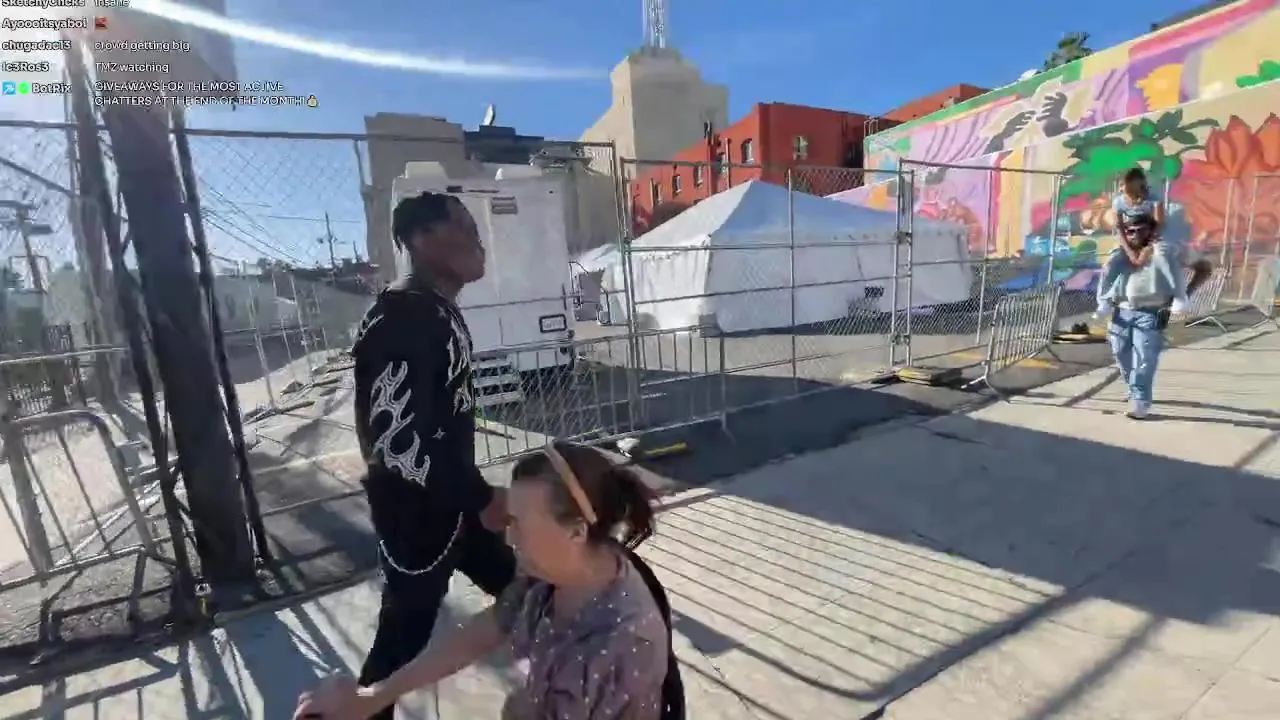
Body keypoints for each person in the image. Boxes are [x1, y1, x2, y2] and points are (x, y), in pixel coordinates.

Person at [294, 441, 685, 720]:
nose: (509, 538)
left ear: (576, 531)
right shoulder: (550, 573)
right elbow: (487, 628)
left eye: (520, 524)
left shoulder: (623, 644)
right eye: (509, 520)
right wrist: (371, 697)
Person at [349, 191, 517, 720]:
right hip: (418, 521)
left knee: (533, 593)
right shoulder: (405, 316)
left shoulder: (436, 310)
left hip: (454, 506)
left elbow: (437, 425)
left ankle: (581, 683)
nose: (478, 240)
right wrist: (482, 497)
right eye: (463, 227)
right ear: (420, 239)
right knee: (399, 646)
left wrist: (474, 497)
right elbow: (399, 442)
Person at [1095, 167, 1189, 319]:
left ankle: (1180, 296)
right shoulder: (1119, 201)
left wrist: (1147, 249)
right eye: (1123, 188)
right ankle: (1104, 301)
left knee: (1163, 256)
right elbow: (1119, 228)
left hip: (1155, 236)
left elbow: (1160, 224)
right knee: (1111, 263)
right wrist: (1130, 252)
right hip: (1133, 237)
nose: (1130, 197)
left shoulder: (1154, 198)